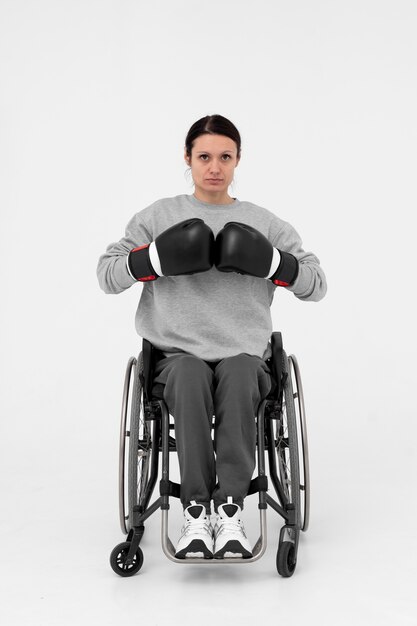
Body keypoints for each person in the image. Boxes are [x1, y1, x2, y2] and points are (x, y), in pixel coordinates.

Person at [97, 114, 327, 559]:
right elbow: (107, 276)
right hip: (174, 356)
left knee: (241, 374)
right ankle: (196, 512)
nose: (214, 167)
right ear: (188, 159)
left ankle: (230, 508)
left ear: (238, 159)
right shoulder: (157, 216)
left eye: (225, 156)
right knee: (186, 374)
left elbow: (317, 284)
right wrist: (153, 260)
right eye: (204, 156)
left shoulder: (264, 222)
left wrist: (277, 265)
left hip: (244, 356)